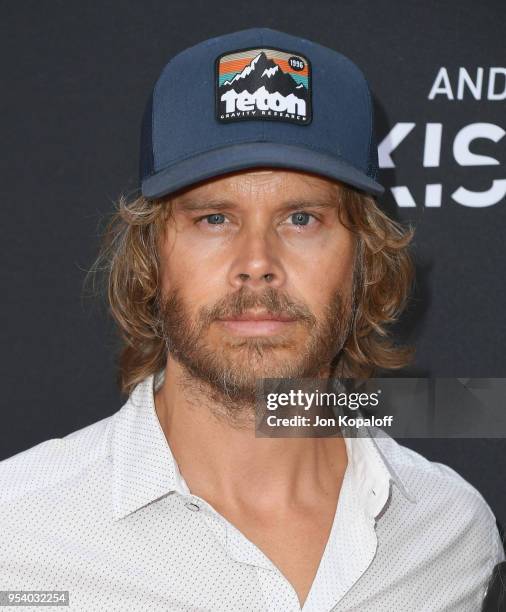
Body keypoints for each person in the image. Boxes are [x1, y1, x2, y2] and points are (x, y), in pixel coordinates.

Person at [0, 27, 503, 612]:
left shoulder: (451, 536)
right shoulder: (18, 533)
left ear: (363, 259)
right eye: (214, 218)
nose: (257, 265)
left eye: (302, 219)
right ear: (151, 258)